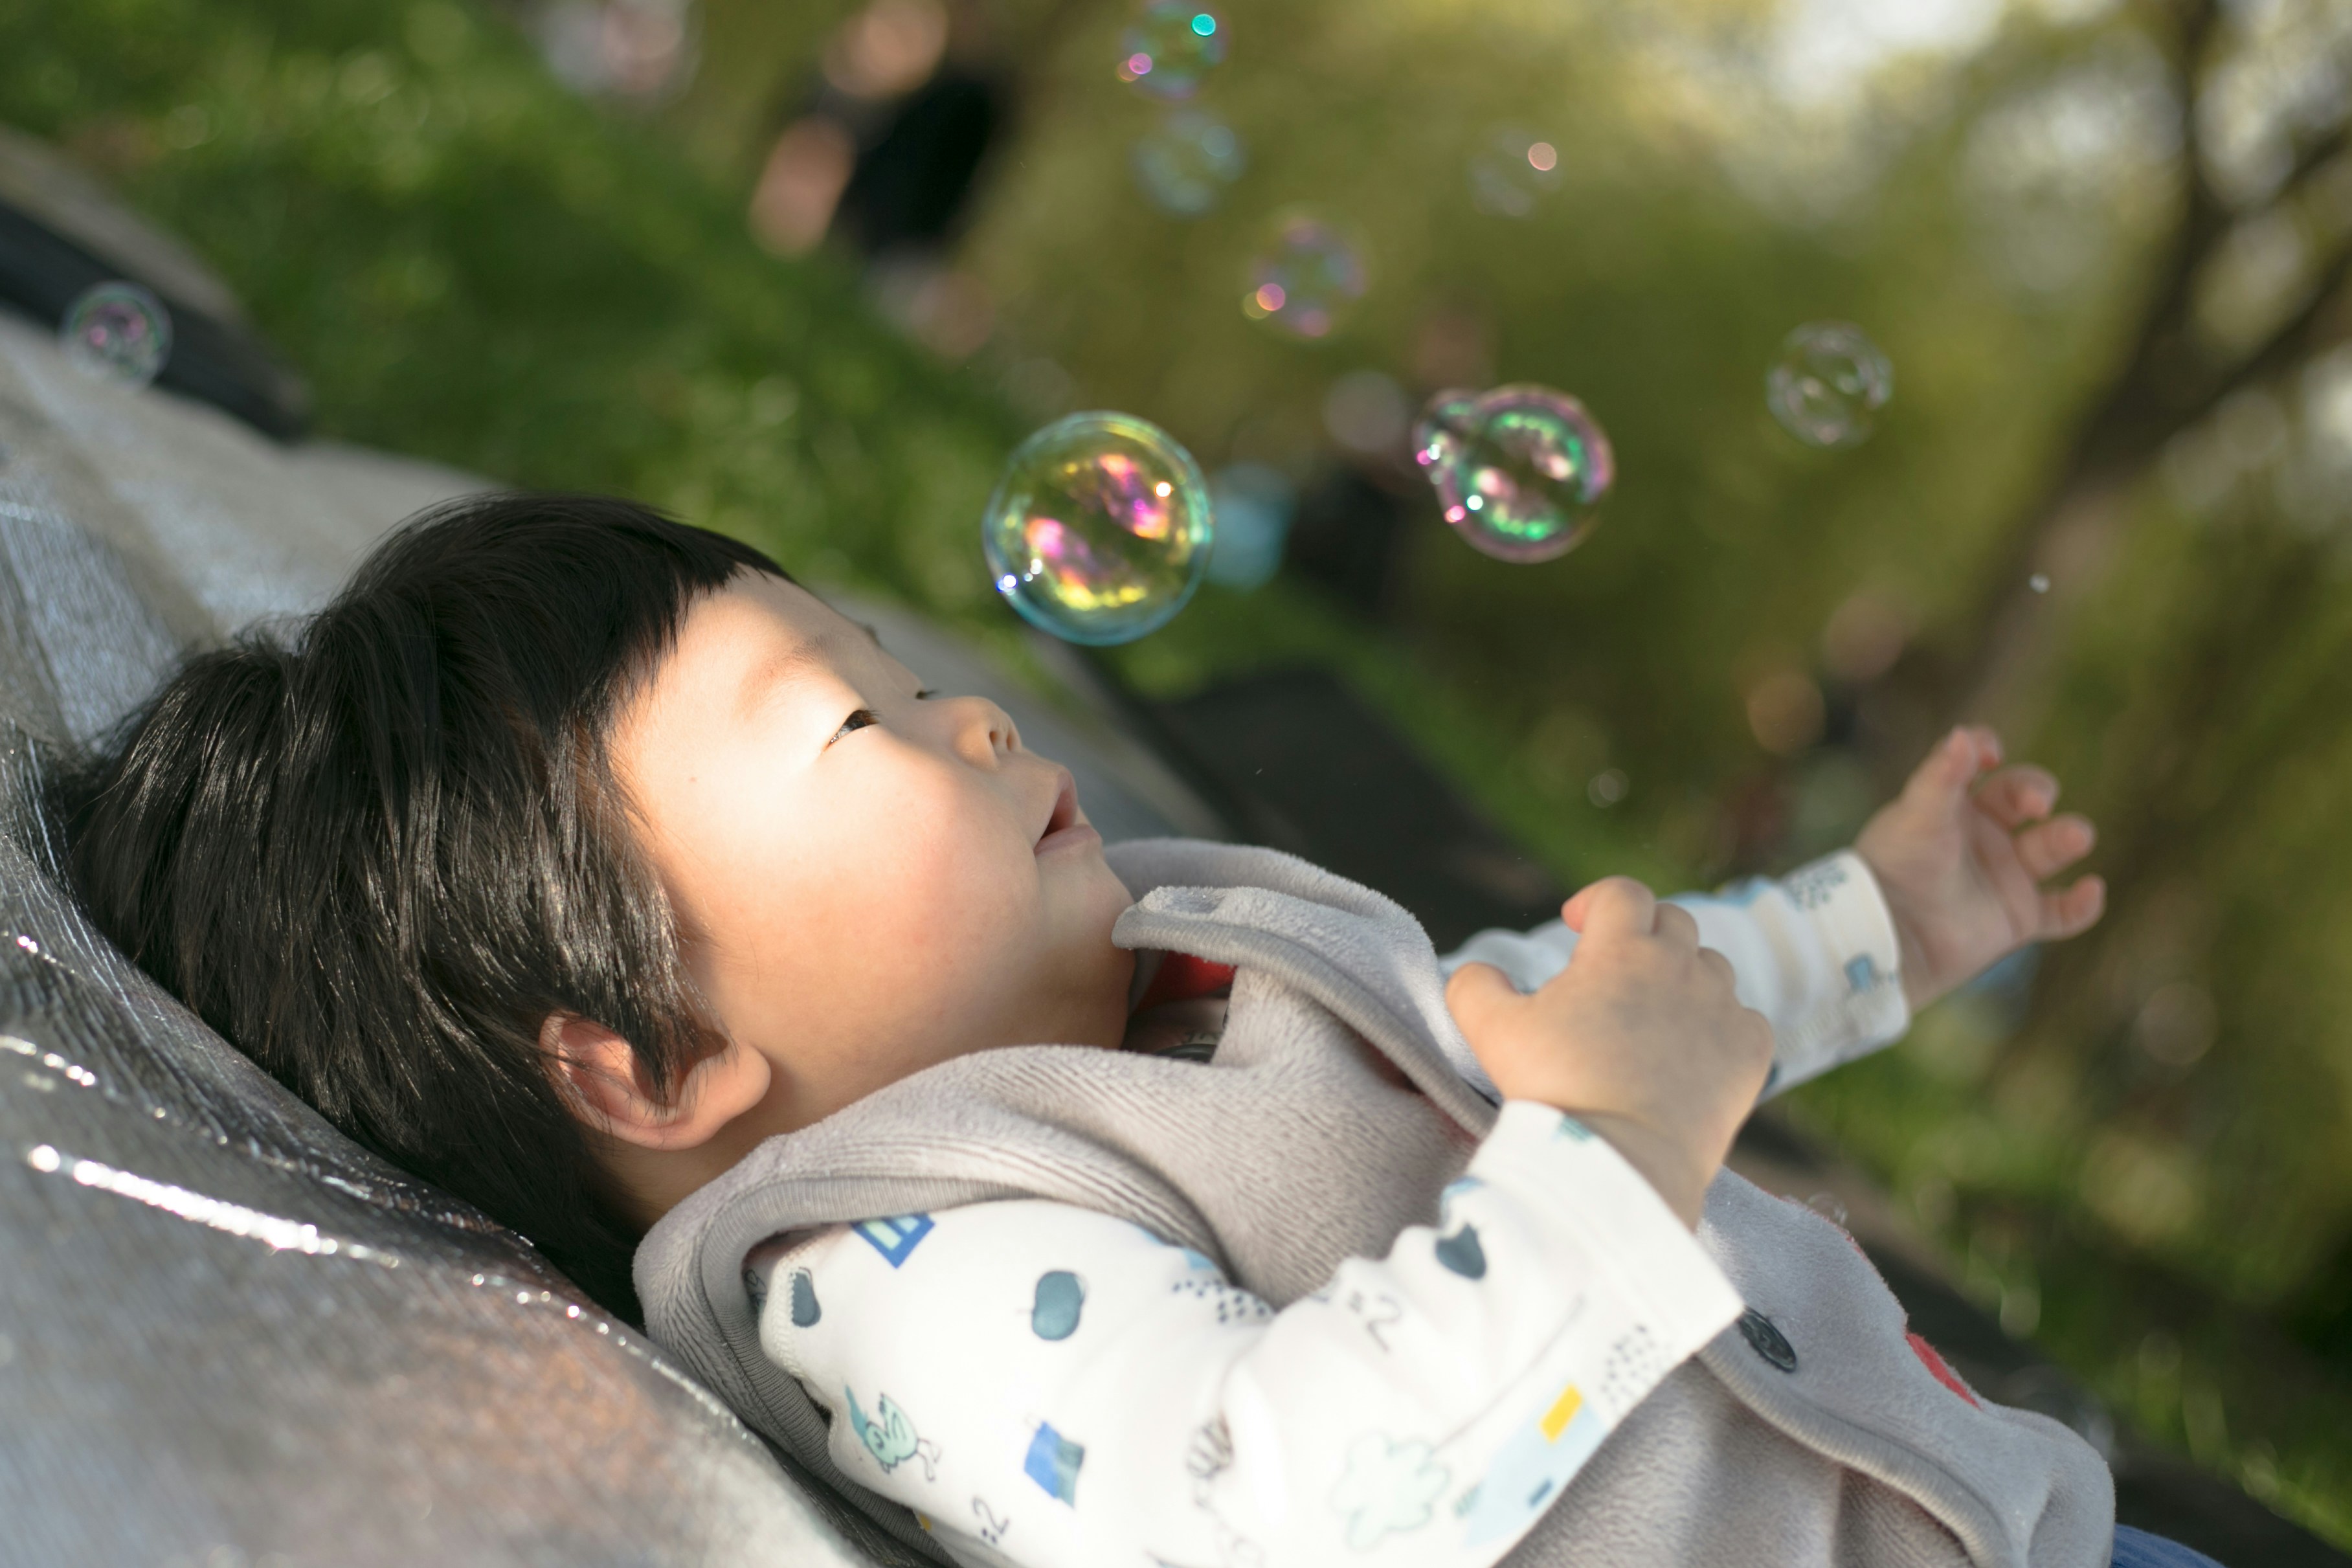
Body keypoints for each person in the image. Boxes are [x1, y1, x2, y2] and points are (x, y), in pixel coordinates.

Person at [68, 493, 2199, 1568]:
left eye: (901, 665)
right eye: (854, 723)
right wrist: (1604, 1162)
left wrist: (1870, 928)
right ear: (650, 1055)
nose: (970, 710)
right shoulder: (898, 1270)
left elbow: (1552, 1010)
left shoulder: (1164, 957)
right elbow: (1269, 1517)